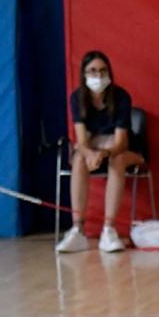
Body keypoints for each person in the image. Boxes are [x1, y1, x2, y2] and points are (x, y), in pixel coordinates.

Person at [56, 50, 144, 253]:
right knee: (78, 158)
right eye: (92, 71)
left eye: (103, 71)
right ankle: (78, 230)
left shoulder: (121, 97)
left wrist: (101, 153)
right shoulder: (77, 98)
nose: (98, 76)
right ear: (84, 74)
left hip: (122, 151)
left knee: (118, 160)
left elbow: (121, 142)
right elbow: (81, 140)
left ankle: (109, 229)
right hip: (94, 149)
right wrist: (89, 153)